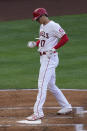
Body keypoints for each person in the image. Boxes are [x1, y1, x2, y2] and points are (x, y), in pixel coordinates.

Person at [26, 8, 72, 121]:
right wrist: (35, 43)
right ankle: (66, 106)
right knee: (51, 85)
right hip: (43, 57)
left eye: (37, 19)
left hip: (49, 58)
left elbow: (65, 38)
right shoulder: (42, 26)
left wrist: (54, 48)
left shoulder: (54, 25)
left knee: (42, 84)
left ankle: (38, 112)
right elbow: (44, 40)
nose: (37, 21)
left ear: (43, 16)